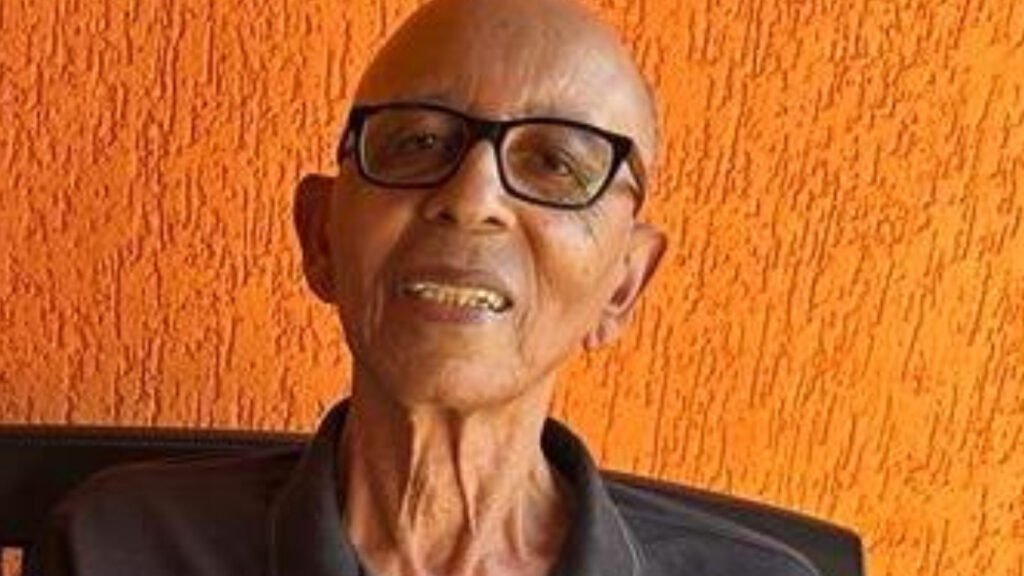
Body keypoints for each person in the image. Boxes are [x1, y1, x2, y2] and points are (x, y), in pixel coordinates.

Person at [42, 0, 857, 574]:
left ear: (623, 285)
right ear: (320, 237)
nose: (472, 198)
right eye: (417, 142)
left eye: (556, 163)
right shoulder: (119, 546)